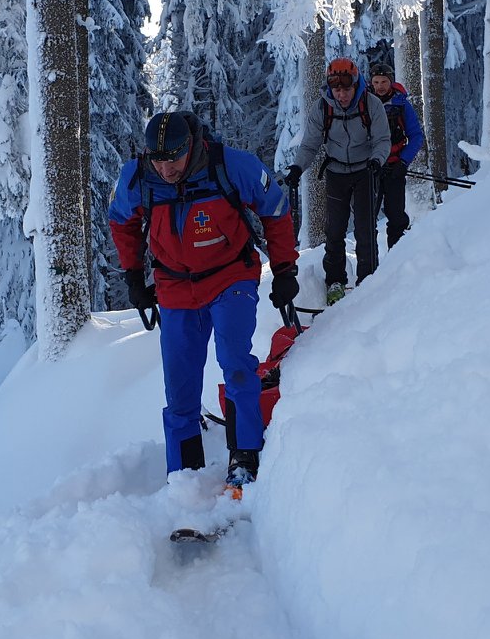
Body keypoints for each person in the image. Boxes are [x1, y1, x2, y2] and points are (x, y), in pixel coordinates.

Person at [109, 111, 300, 488]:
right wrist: (133, 275)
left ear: (191, 147)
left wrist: (285, 270)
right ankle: (185, 474)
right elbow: (121, 220)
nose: (166, 169)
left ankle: (245, 456)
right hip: (175, 286)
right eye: (158, 160)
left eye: (173, 159)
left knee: (236, 363)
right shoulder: (138, 177)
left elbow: (275, 209)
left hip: (231, 278)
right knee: (179, 385)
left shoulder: (230, 166)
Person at [286, 57, 389, 303]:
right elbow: (310, 144)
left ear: (355, 84)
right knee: (334, 231)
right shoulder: (322, 108)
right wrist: (298, 168)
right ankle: (335, 282)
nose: (342, 95)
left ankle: (368, 280)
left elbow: (382, 139)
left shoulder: (371, 104)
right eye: (337, 89)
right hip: (336, 172)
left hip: (366, 171)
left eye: (346, 89)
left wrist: (377, 160)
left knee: (365, 230)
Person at [366, 59, 423, 247]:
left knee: (397, 218)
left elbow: (415, 136)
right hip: (368, 169)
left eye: (384, 82)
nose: (380, 87)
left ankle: (397, 265)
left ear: (391, 82)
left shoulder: (401, 105)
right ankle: (369, 268)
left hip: (394, 168)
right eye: (376, 82)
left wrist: (403, 162)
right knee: (366, 219)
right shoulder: (363, 104)